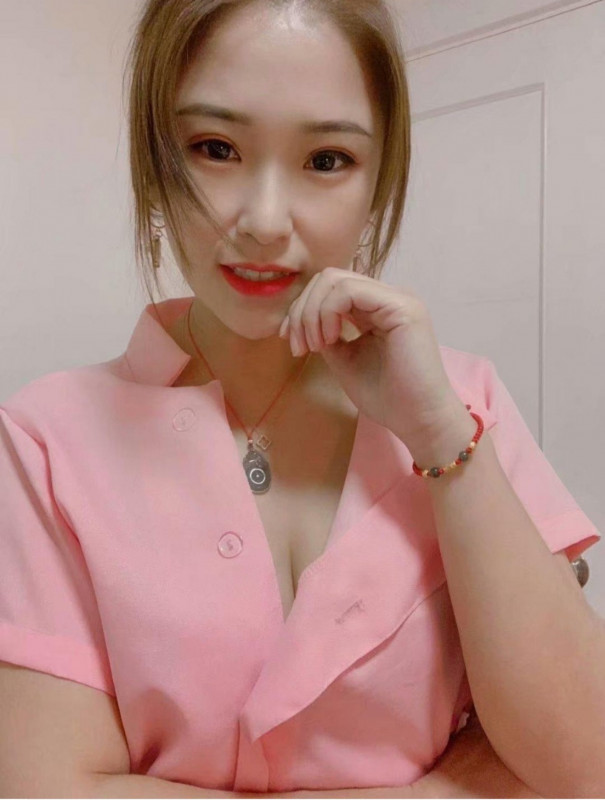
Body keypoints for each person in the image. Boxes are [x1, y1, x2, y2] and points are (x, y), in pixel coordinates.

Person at [0, 0, 602, 797]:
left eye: (326, 159)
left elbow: (582, 763)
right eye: (215, 149)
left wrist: (439, 438)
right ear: (155, 165)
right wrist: (440, 787)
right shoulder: (44, 439)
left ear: (377, 183)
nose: (264, 221)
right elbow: (49, 787)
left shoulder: (461, 404)